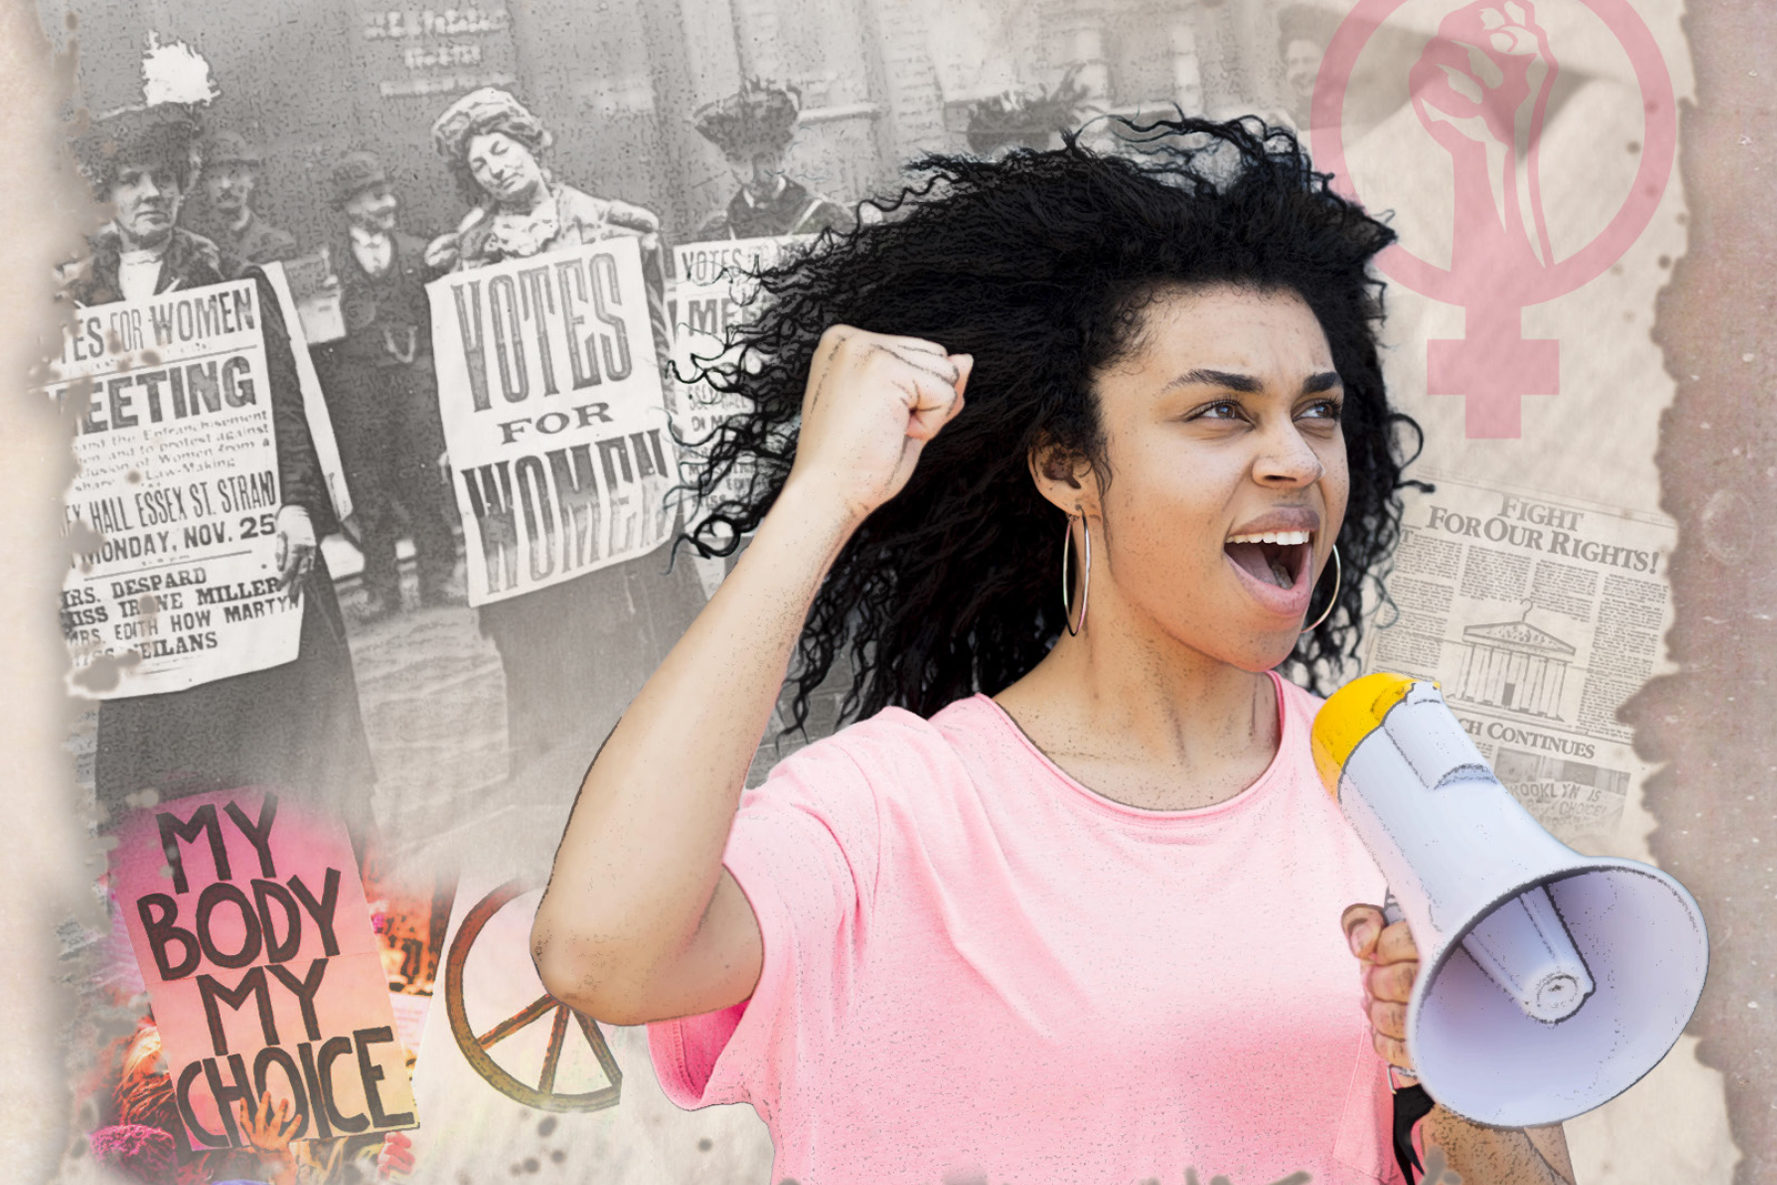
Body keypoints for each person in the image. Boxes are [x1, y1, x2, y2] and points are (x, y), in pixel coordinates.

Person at [531, 117, 1579, 1185]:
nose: (1293, 460)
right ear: (1068, 470)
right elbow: (599, 952)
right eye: (1220, 412)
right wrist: (821, 497)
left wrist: (1462, 1075)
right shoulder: (891, 813)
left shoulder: (1392, 797)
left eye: (1318, 414)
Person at [63, 101, 376, 837]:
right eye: (132, 181)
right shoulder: (72, 303)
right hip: (147, 581)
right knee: (175, 763)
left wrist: (298, 505)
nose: (151, 196)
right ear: (105, 195)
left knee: (274, 744)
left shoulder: (230, 279)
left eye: (166, 179)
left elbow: (286, 408)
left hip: (242, 559)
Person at [425, 87, 706, 773]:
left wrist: (675, 417)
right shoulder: (464, 256)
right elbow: (465, 367)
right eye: (477, 161)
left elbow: (659, 338)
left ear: (531, 144)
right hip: (537, 482)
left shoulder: (613, 228)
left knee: (644, 607)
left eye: (502, 147)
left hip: (619, 460)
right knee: (558, 630)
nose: (493, 166)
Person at [312, 150, 461, 619]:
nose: (388, 203)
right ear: (350, 204)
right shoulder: (324, 264)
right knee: (369, 491)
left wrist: (429, 373)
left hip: (414, 380)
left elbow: (439, 322)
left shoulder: (419, 253)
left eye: (388, 192)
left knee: (424, 481)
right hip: (358, 390)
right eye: (377, 196)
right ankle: (382, 590)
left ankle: (438, 578)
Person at [689, 77, 854, 241]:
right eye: (739, 161)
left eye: (762, 159)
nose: (752, 176)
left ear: (780, 154)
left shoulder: (829, 218)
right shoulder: (716, 233)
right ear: (728, 162)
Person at [196, 130, 299, 271]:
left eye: (234, 175)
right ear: (204, 185)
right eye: (215, 177)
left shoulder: (277, 245)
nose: (225, 185)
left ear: (251, 180)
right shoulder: (194, 245)